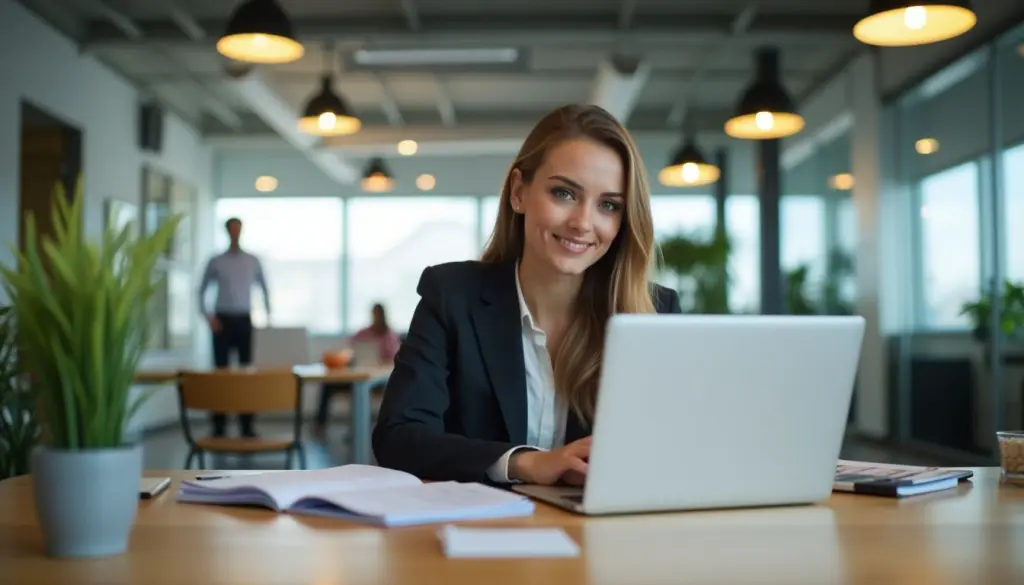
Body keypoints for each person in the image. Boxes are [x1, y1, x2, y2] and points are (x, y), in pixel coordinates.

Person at [371, 104, 681, 486]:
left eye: (608, 205)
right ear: (519, 193)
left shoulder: (653, 312)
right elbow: (398, 437)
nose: (583, 222)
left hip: (600, 536)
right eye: (564, 193)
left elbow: (675, 452)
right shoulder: (452, 296)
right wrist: (524, 463)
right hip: (473, 534)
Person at [197, 217, 271, 438]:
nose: (235, 233)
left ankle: (247, 426)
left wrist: (268, 318)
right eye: (232, 230)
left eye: (238, 229)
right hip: (222, 321)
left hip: (244, 320)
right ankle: (218, 426)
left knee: (246, 374)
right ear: (227, 232)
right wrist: (208, 317)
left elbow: (265, 289)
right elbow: (200, 291)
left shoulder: (252, 260)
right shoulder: (216, 261)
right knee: (220, 375)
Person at [312, 303, 401, 436]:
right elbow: (350, 349)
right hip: (359, 376)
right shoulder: (364, 333)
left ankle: (365, 431)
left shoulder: (390, 336)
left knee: (366, 390)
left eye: (377, 314)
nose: (374, 317)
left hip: (379, 381)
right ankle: (320, 425)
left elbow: (395, 359)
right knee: (328, 386)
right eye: (373, 314)